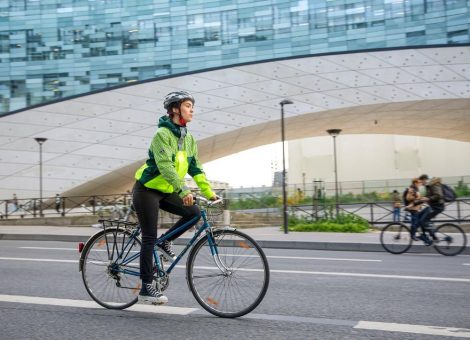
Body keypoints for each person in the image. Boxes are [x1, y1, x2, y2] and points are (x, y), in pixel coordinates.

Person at [133, 90, 217, 305]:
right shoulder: (162, 135)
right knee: (149, 237)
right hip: (147, 189)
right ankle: (146, 287)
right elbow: (166, 167)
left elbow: (195, 168)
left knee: (194, 212)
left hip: (167, 190)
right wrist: (184, 191)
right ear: (174, 109)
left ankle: (166, 241)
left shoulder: (188, 139)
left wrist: (208, 192)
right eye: (188, 105)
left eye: (192, 106)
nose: (192, 110)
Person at [415, 174, 445, 245]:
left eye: (422, 181)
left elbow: (438, 195)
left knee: (424, 220)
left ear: (425, 179)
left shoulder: (433, 183)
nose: (422, 183)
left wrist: (428, 199)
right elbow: (428, 196)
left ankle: (434, 238)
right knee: (420, 216)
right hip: (433, 205)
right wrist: (417, 202)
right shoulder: (428, 185)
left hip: (438, 206)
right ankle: (425, 236)